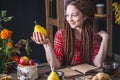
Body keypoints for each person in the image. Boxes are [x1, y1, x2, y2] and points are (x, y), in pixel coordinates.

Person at [31, 0, 109, 68]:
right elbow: (55, 65)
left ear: (85, 17)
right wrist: (47, 45)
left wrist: (105, 38)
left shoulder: (93, 37)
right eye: (67, 15)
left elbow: (98, 64)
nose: (69, 19)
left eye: (74, 15)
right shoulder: (61, 35)